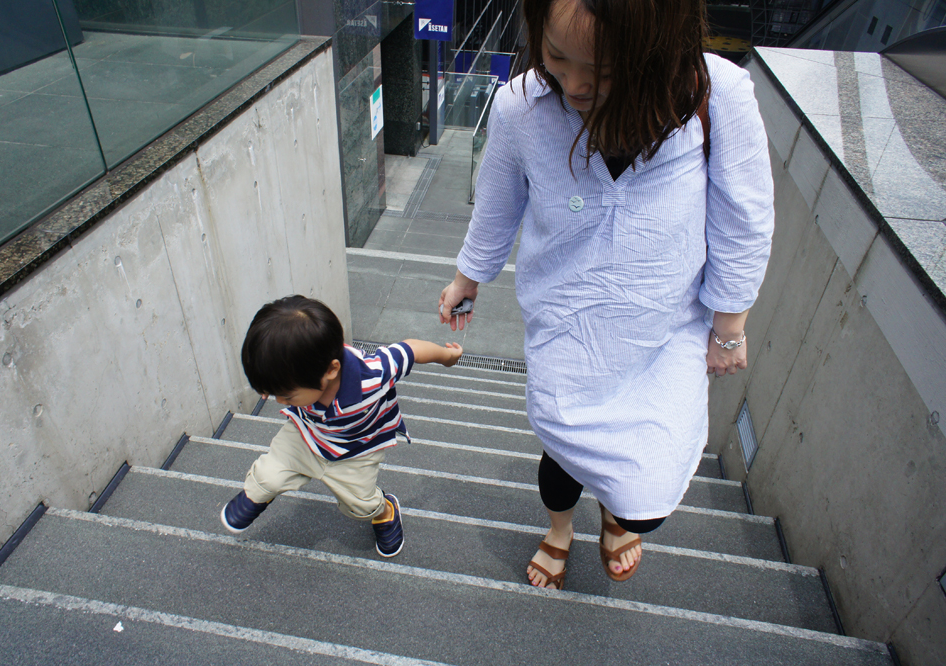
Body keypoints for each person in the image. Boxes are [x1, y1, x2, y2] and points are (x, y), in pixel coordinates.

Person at [439, 0, 773, 589]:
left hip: (665, 328)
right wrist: (469, 278)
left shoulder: (717, 96)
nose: (572, 85)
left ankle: (619, 517)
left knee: (647, 501)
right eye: (557, 59)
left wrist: (730, 326)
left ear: (658, 52)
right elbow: (497, 199)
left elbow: (742, 219)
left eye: (602, 69)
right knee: (564, 453)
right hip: (569, 324)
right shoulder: (523, 106)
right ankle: (560, 529)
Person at [221, 295, 463, 558]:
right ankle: (261, 491)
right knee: (268, 475)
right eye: (270, 393)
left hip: (357, 449)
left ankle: (385, 510)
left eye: (287, 397)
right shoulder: (301, 370)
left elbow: (411, 349)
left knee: (361, 505)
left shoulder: (373, 374)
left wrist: (447, 356)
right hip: (307, 435)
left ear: (331, 370)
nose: (280, 402)